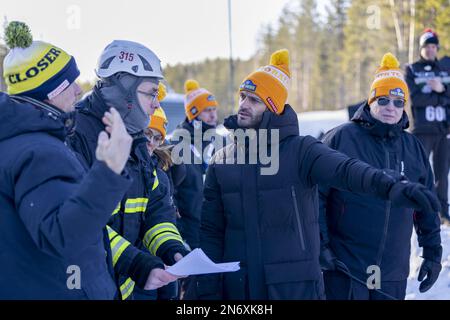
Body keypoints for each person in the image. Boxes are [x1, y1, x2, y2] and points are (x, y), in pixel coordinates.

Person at [197, 49, 440, 300]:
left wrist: (391, 187)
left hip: (313, 284)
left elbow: (348, 171)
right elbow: (211, 231)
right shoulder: (221, 160)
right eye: (243, 97)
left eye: (254, 100)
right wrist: (205, 290)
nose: (244, 105)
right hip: (265, 284)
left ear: (272, 107)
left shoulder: (301, 150)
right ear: (371, 101)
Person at [0, 21, 136, 299]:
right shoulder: (37, 151)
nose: (78, 90)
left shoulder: (20, 142)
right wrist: (109, 170)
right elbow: (63, 236)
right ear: (48, 92)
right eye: (70, 83)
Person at [68, 40, 186, 300]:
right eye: (151, 93)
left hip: (122, 291)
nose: (157, 104)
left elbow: (155, 206)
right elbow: (80, 224)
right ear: (124, 91)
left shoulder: (137, 142)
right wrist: (134, 262)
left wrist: (172, 247)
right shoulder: (75, 137)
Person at [319, 53, 442, 300]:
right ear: (371, 100)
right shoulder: (341, 138)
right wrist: (320, 246)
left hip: (392, 272)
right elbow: (316, 197)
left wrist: (432, 252)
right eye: (383, 100)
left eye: (398, 102)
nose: (390, 108)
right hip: (345, 268)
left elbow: (426, 205)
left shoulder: (413, 146)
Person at [405, 28, 450, 224]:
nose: (431, 50)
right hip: (422, 130)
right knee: (418, 171)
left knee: (442, 173)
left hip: (443, 130)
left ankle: (442, 211)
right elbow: (416, 98)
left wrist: (442, 89)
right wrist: (441, 97)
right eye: (427, 46)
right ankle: (417, 208)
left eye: (434, 46)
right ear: (421, 48)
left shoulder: (445, 68)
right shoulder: (412, 69)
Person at [170, 79, 220, 251]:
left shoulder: (220, 141)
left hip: (217, 230)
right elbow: (170, 195)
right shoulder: (176, 144)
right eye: (206, 111)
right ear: (193, 114)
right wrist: (180, 235)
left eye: (214, 109)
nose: (213, 115)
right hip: (190, 232)